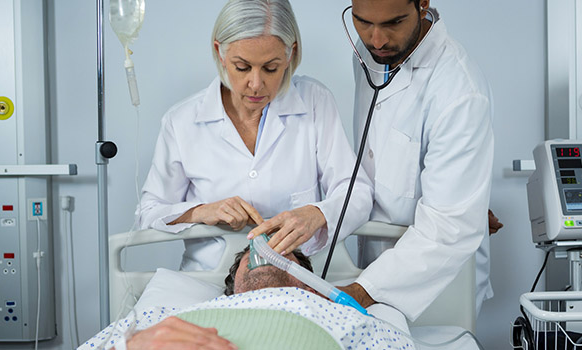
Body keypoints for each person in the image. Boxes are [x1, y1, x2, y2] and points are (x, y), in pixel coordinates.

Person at [136, 0, 373, 271]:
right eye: (242, 67)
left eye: (271, 68)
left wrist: (317, 213)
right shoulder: (182, 122)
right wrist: (202, 211)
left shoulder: (314, 102)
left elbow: (358, 193)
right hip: (207, 280)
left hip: (299, 277)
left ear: (290, 55)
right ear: (220, 53)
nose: (256, 84)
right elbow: (149, 212)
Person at [338, 0, 496, 322]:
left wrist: (356, 292)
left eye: (393, 23)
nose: (376, 40)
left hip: (436, 284)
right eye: (362, 21)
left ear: (423, 3)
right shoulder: (368, 52)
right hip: (375, 262)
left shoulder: (459, 91)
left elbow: (448, 229)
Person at [91, 246, 414, 350]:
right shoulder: (163, 317)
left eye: (282, 250)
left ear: (311, 284)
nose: (268, 251)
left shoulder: (346, 316)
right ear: (233, 284)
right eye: (254, 251)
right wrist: (130, 345)